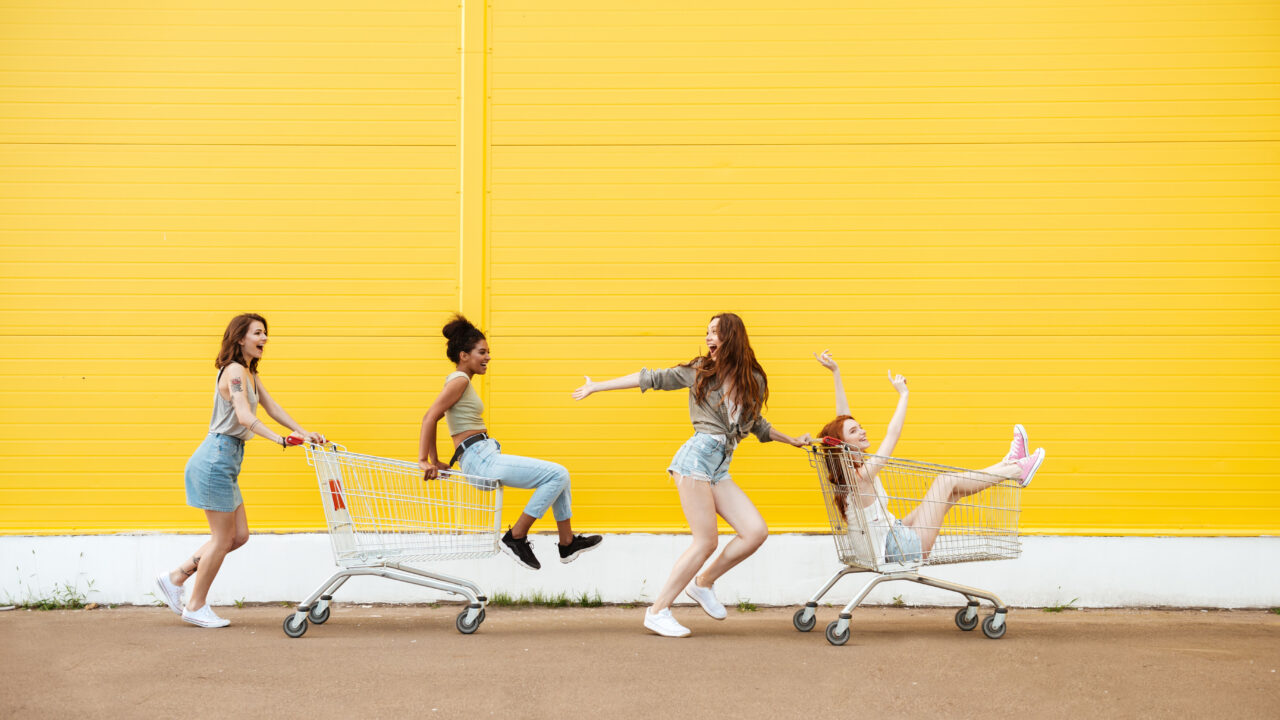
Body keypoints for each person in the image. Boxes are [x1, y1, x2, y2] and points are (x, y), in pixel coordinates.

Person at [573, 313, 811, 638]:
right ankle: (657, 611)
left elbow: (757, 425)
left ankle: (704, 583)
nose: (709, 338)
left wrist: (793, 441)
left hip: (720, 466)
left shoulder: (753, 379)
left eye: (716, 332)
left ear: (732, 338)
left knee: (755, 531)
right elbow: (651, 378)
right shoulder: (700, 372)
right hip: (695, 459)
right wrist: (597, 386)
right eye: (708, 332)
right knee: (706, 541)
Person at [154, 313, 325, 628]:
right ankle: (195, 605)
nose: (264, 339)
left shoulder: (249, 374)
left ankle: (176, 577)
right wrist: (280, 440)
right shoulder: (233, 372)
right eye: (258, 333)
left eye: (265, 334)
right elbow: (245, 416)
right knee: (222, 538)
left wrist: (304, 432)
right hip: (215, 459)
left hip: (228, 459)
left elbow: (271, 407)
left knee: (238, 536)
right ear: (240, 338)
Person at [813, 350, 1045, 564]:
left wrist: (836, 373)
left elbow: (842, 418)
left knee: (950, 493)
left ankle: (1008, 464)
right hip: (899, 548)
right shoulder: (861, 476)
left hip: (894, 533)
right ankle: (1016, 470)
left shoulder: (849, 471)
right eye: (854, 432)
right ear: (842, 445)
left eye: (860, 426)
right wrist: (903, 394)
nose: (862, 431)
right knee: (944, 482)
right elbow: (892, 435)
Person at [420, 315, 602, 571]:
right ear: (464, 356)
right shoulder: (459, 380)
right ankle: (516, 537)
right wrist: (423, 460)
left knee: (560, 478)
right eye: (481, 352)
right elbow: (429, 416)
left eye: (488, 352)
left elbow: (436, 417)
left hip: (481, 455)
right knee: (557, 474)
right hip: (480, 458)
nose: (487, 357)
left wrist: (436, 459)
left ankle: (567, 542)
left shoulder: (462, 382)